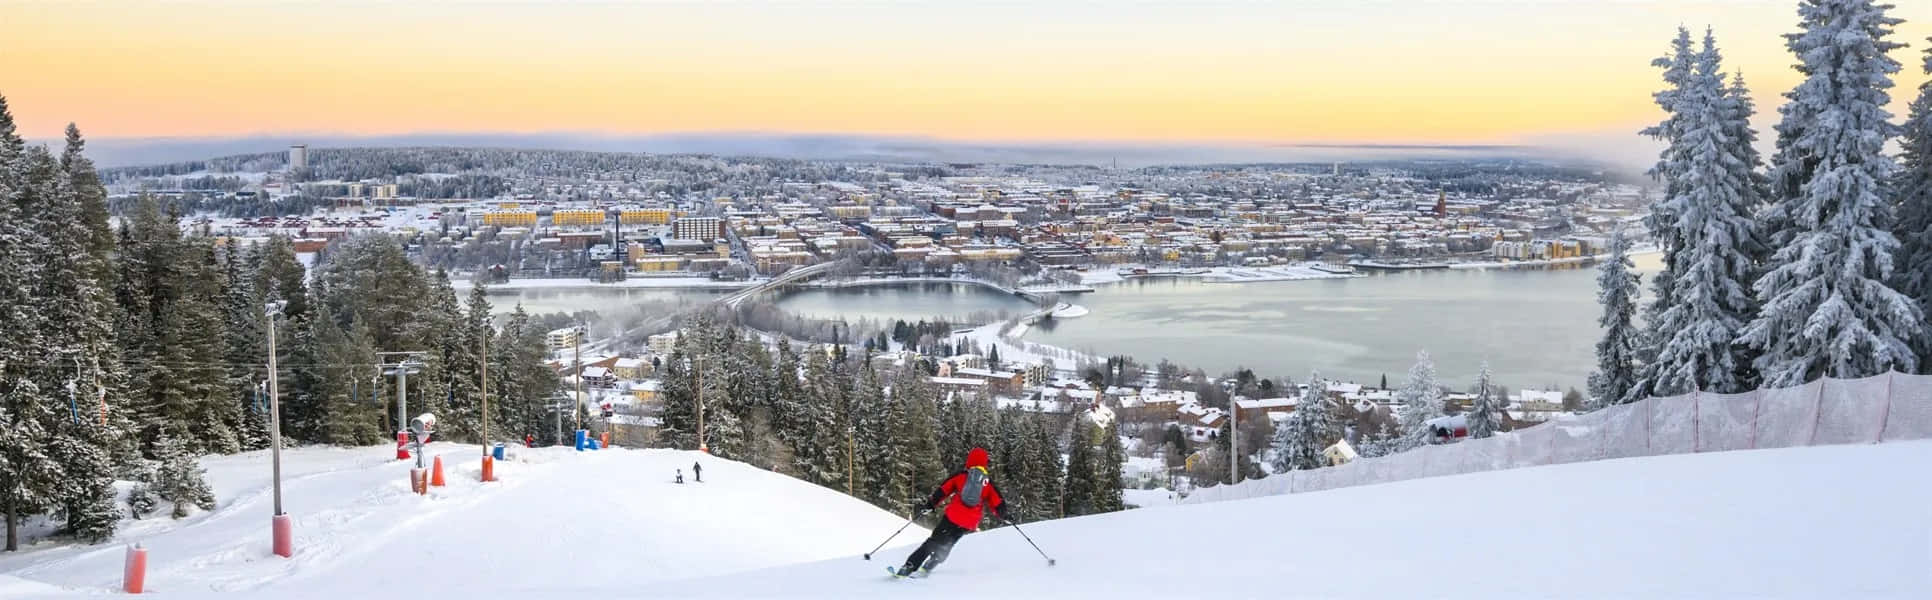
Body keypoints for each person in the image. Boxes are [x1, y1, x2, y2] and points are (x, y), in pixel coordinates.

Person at [896, 447, 1009, 578]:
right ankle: (933, 562)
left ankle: (910, 566)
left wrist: (931, 505)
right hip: (969, 523)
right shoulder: (988, 483)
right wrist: (1005, 515)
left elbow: (943, 490)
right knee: (950, 542)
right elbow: (998, 503)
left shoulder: (961, 476)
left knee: (934, 541)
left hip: (953, 516)